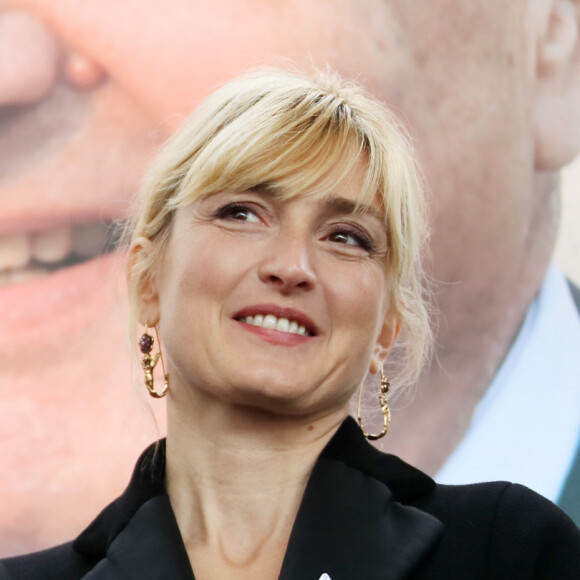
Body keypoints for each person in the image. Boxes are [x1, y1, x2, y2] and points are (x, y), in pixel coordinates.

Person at [2, 0, 580, 555]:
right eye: (240, 214)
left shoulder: (525, 544)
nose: (8, 68)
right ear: (145, 282)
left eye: (345, 236)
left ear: (554, 27)